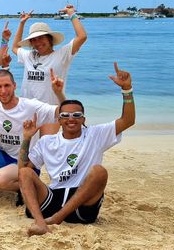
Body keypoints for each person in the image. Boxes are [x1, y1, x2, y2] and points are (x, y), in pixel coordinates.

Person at [18, 63, 135, 236]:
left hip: (83, 202)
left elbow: (128, 120)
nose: (71, 118)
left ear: (83, 119)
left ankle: (58, 218)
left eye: (76, 115)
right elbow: (22, 170)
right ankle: (40, 223)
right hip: (53, 198)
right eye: (65, 115)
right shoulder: (47, 141)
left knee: (99, 172)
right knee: (24, 173)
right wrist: (27, 138)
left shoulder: (95, 134)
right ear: (58, 119)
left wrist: (127, 89)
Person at [0, 69, 65, 201]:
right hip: (4, 156)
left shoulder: (30, 105)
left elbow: (62, 112)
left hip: (26, 163)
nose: (3, 91)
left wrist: (59, 93)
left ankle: (27, 188)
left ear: (14, 85)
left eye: (7, 85)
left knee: (0, 179)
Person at [11, 6, 88, 104]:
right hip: (27, 110)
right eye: (33, 40)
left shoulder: (62, 55)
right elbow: (14, 47)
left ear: (49, 39)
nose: (37, 42)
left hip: (52, 111)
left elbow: (82, 37)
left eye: (41, 38)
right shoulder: (29, 56)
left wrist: (71, 14)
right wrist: (22, 23)